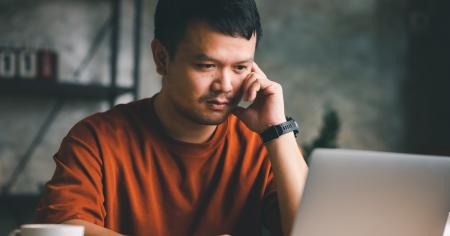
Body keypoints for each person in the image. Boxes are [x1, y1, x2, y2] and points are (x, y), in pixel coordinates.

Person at [35, 0, 308, 235]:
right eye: (206, 66)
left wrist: (278, 130)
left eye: (240, 67)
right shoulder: (96, 138)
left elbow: (312, 230)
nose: (225, 85)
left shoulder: (261, 143)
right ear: (162, 58)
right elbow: (64, 228)